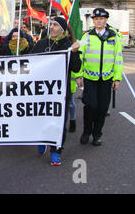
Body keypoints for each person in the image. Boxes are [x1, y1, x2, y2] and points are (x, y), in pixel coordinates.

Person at [31, 16, 81, 166]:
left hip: (60, 92)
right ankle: (41, 140)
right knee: (40, 117)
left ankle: (56, 151)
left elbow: (76, 68)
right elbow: (29, 62)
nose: (51, 27)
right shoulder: (41, 43)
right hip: (40, 90)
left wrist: (74, 53)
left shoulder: (69, 45)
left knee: (58, 121)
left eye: (55, 25)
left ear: (63, 29)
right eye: (50, 24)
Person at [77, 8, 123, 147]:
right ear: (93, 21)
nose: (98, 21)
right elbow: (79, 56)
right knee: (91, 106)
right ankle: (86, 132)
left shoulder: (113, 37)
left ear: (106, 20)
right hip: (90, 78)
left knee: (102, 108)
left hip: (106, 79)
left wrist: (117, 78)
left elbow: (118, 59)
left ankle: (97, 135)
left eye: (101, 19)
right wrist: (78, 75)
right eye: (96, 19)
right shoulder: (87, 36)